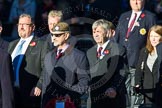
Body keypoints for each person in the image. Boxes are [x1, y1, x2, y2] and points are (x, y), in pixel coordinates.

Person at [114, 0, 157, 107]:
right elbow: (117, 38)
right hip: (122, 62)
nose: (136, 2)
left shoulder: (150, 17)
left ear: (144, 1)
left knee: (135, 93)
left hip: (138, 62)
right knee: (123, 92)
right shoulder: (124, 16)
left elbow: (152, 40)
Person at [41, 22, 90, 108]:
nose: (53, 38)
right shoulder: (48, 56)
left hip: (68, 104)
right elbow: (45, 81)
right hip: (49, 103)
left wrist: (70, 95)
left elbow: (84, 81)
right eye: (52, 35)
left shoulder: (79, 56)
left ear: (66, 36)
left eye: (57, 35)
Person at [8, 13, 49, 108]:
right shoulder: (11, 45)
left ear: (33, 27)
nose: (21, 27)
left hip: (30, 93)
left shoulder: (41, 45)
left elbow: (47, 68)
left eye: (24, 24)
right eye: (19, 24)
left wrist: (39, 85)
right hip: (12, 93)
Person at [86, 19, 128, 108]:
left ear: (106, 32)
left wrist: (114, 87)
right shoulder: (90, 52)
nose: (95, 34)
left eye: (98, 31)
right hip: (94, 99)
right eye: (94, 32)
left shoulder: (118, 49)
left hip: (112, 98)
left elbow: (122, 72)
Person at [135, 25, 162, 108]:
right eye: (151, 36)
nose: (153, 39)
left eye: (156, 36)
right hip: (147, 89)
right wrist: (137, 83)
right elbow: (139, 68)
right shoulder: (144, 50)